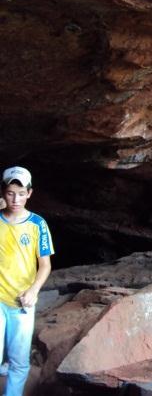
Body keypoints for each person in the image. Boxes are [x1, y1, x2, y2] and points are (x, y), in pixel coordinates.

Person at [0, 166, 54, 396]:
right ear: (3, 192)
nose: (16, 199)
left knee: (19, 361)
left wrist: (33, 290)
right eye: (11, 193)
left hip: (23, 301)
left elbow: (45, 265)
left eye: (21, 194)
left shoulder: (37, 224)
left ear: (30, 193)